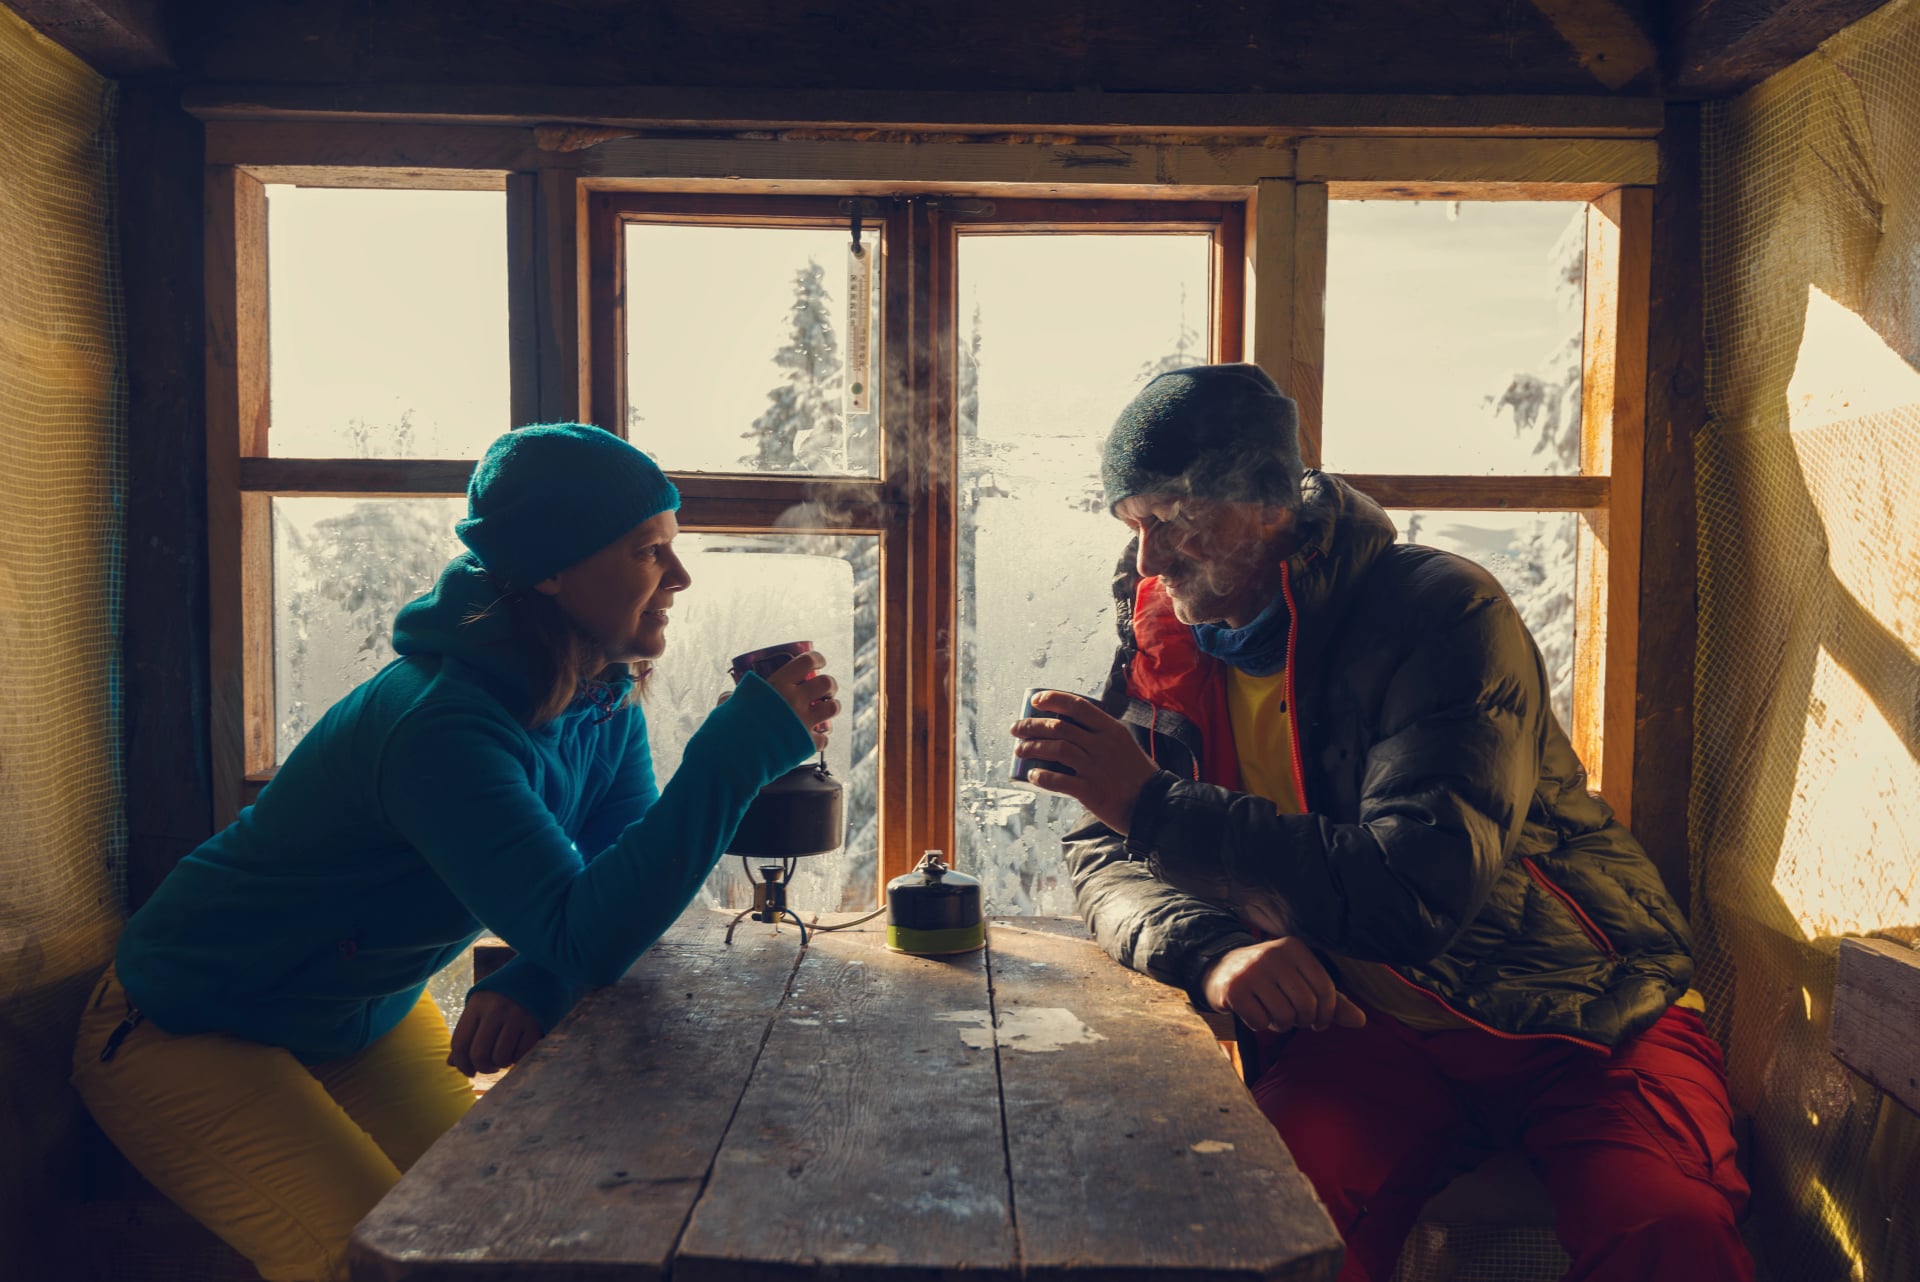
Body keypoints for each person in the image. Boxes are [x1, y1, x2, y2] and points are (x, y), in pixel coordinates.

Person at [1009, 364, 1752, 1282]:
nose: (1152, 560)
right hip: (1360, 1027)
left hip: (1582, 1008)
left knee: (1666, 1228)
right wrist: (1211, 951)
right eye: (1135, 526)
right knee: (1255, 1225)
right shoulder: (1168, 634)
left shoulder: (1441, 612)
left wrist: (1152, 803)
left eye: (1170, 518)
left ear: (1262, 501)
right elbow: (1104, 845)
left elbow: (1411, 891)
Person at [72, 423, 840, 1282]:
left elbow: (615, 876)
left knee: (508, 1229)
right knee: (372, 1266)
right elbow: (587, 929)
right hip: (188, 1027)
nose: (679, 577)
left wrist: (536, 973)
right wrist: (735, 754)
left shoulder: (600, 693)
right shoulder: (442, 726)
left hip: (359, 1016)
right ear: (550, 570)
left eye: (673, 545)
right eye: (647, 550)